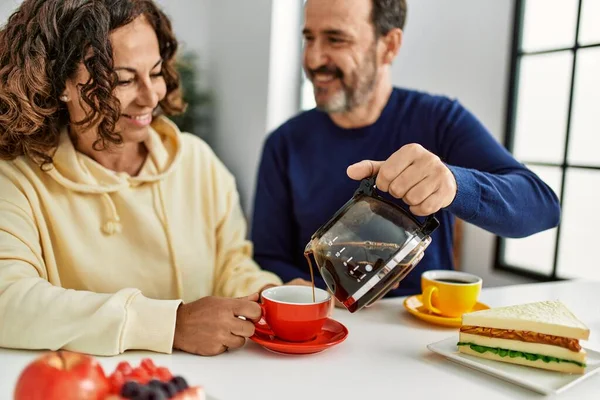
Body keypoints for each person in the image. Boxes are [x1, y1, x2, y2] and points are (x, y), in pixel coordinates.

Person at [0, 0, 304, 357]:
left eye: (156, 72)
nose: (150, 96)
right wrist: (172, 324)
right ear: (60, 82)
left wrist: (269, 297)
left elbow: (232, 266)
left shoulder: (196, 162)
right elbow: (9, 300)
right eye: (123, 79)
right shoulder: (17, 179)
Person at [251, 0, 561, 299]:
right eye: (309, 38)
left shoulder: (440, 119)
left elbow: (542, 207)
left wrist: (453, 185)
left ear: (389, 46)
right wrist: (311, 292)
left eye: (336, 39)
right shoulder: (284, 143)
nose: (314, 59)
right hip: (323, 324)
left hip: (419, 334)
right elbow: (267, 256)